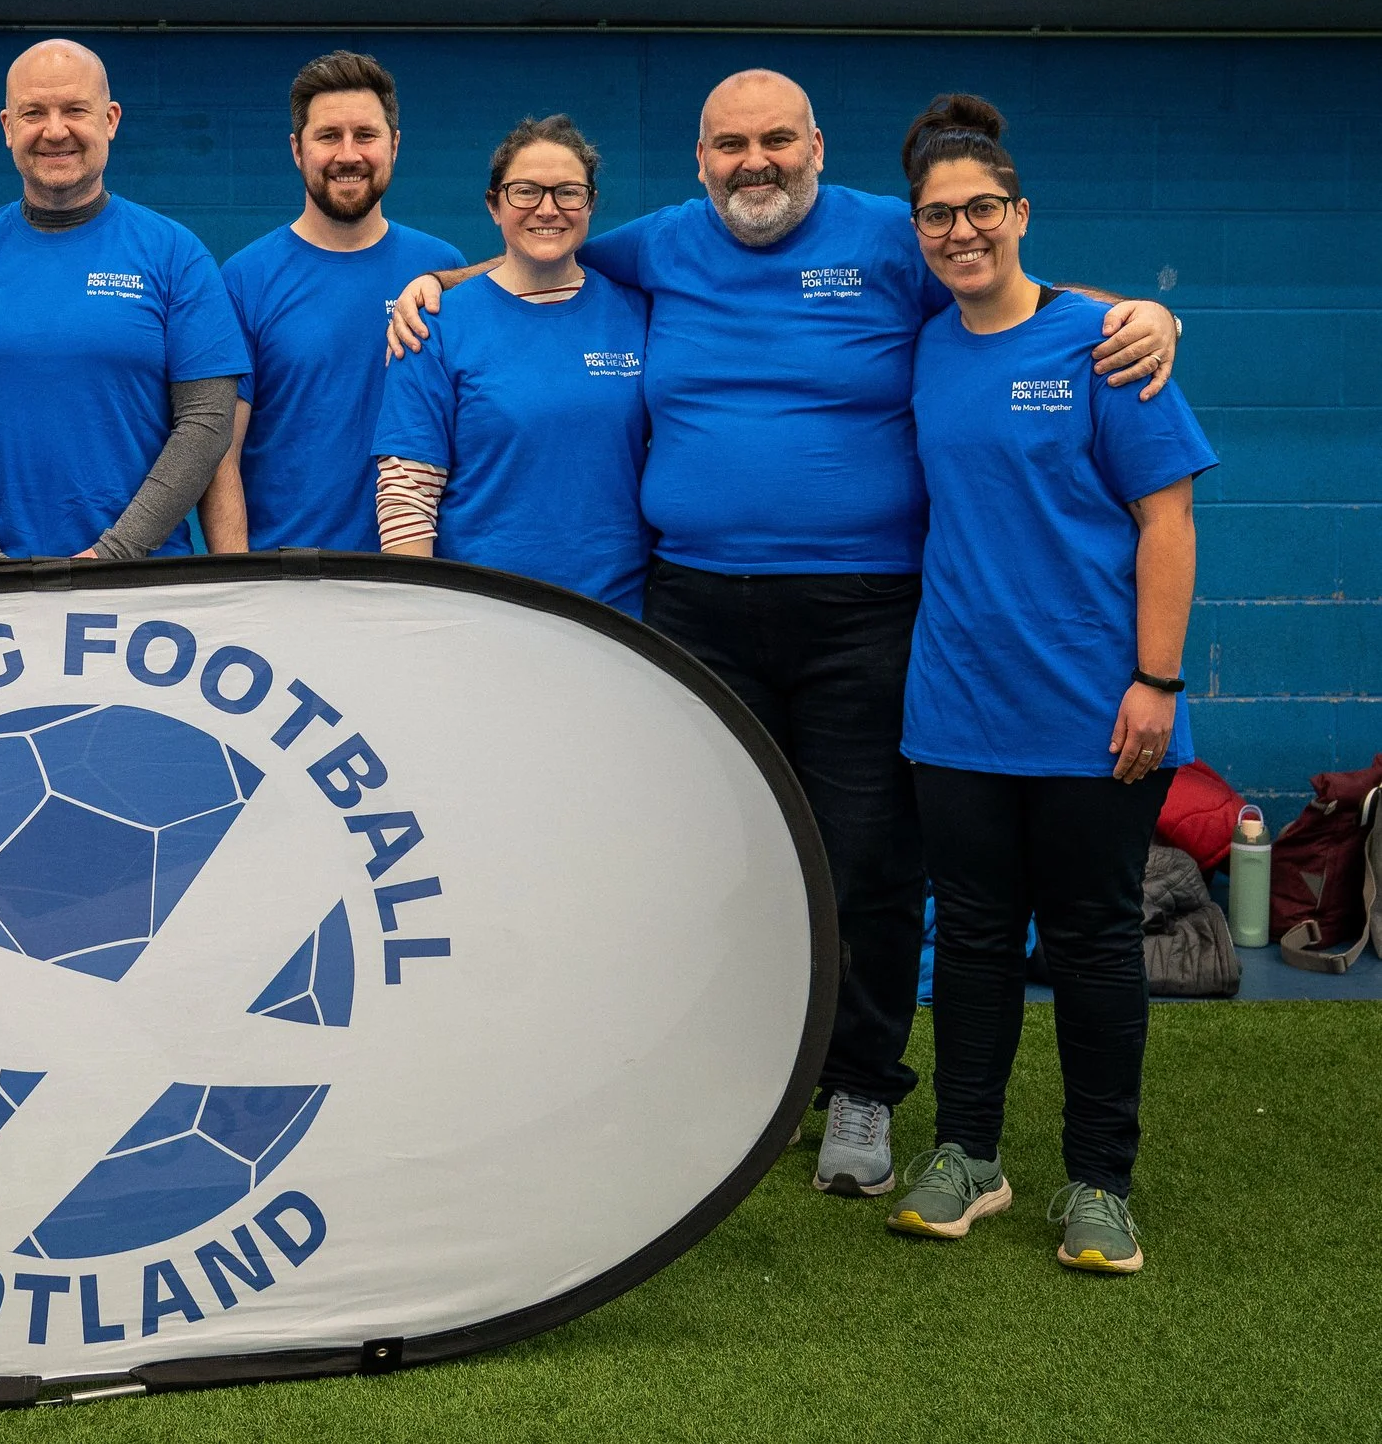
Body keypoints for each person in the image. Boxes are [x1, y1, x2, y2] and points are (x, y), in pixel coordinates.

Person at [387, 70, 1182, 1200]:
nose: (753, 162)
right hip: (695, 605)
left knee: (866, 860)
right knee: (708, 854)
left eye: (774, 140)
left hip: (864, 613)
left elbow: (1009, 279)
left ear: (815, 144)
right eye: (729, 144)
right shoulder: (666, 241)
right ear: (700, 159)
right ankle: (729, 1076)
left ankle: (859, 1085)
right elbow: (542, 251)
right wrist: (436, 281)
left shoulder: (892, 234)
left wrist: (1141, 312)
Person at [881, 95, 1212, 1276]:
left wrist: (1155, 680)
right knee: (971, 938)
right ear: (918, 231)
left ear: (1019, 213)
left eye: (980, 208)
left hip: (1095, 709)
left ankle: (1099, 1181)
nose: (960, 230)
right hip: (955, 706)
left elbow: (1167, 520)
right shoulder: (925, 342)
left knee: (1090, 943)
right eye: (937, 215)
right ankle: (968, 1155)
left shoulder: (1104, 342)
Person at [0, 39, 249, 560]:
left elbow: (206, 422)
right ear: (7, 127)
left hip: (144, 585)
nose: (55, 130)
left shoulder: (176, 256)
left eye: (75, 110)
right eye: (33, 113)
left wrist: (114, 555)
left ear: (110, 120)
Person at [371, 116, 651, 613]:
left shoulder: (638, 314)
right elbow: (407, 494)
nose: (548, 208)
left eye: (568, 192)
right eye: (525, 191)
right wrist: (414, 616)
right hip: (485, 616)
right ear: (493, 205)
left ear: (590, 204)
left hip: (619, 618)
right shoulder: (435, 325)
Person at [199, 51, 469, 553]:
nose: (349, 154)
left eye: (365, 135)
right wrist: (241, 580)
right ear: (297, 150)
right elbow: (220, 456)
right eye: (328, 136)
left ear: (394, 145)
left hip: (413, 576)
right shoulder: (244, 279)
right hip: (286, 577)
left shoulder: (440, 267)